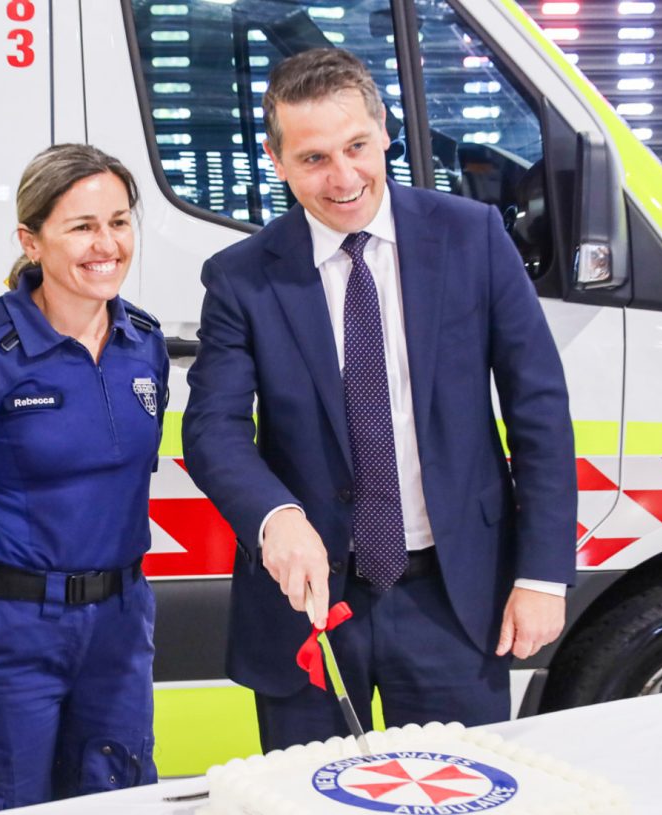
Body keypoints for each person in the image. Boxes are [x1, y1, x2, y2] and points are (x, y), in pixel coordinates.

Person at [182, 48, 577, 751]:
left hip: (455, 599)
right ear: (277, 162)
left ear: (384, 130)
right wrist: (275, 517)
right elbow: (213, 427)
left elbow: (538, 406)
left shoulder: (472, 238)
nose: (344, 178)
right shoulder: (242, 278)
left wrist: (543, 572)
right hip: (308, 608)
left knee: (464, 793)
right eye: (313, 159)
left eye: (357, 147)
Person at [0, 144, 168, 813]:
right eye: (82, 226)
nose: (107, 244)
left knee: (117, 797)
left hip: (119, 624)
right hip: (8, 625)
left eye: (119, 222)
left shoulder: (142, 343)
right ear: (31, 240)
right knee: (4, 798)